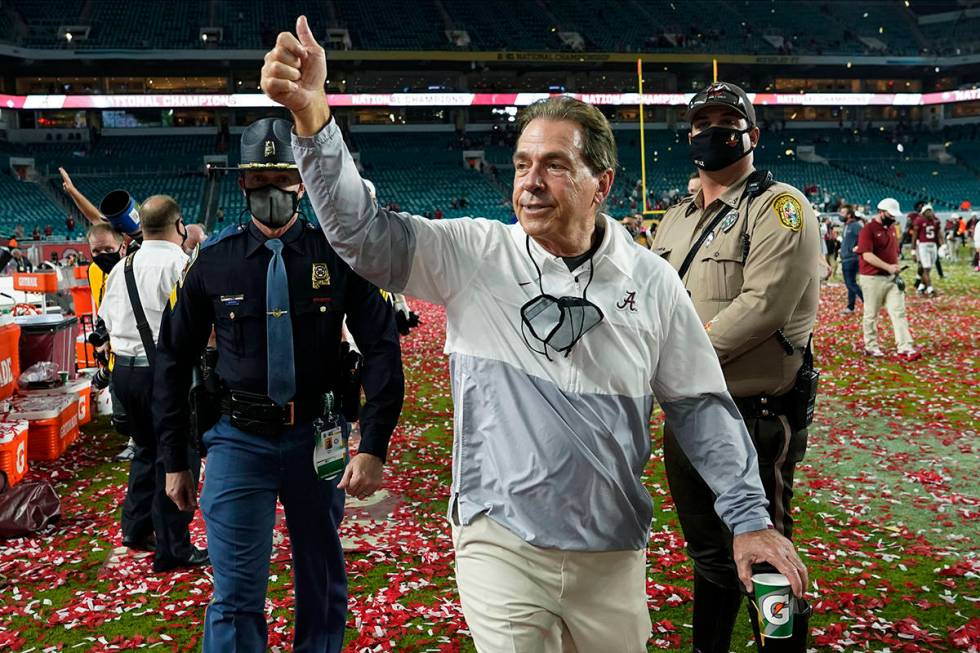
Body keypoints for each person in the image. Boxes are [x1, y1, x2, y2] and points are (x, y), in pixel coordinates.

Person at [262, 21, 807, 652]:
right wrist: (313, 118)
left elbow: (700, 407)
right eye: (522, 163)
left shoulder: (652, 282)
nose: (530, 181)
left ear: (602, 184)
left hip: (611, 549)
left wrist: (749, 520)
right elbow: (361, 236)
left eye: (554, 165)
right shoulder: (475, 253)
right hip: (500, 542)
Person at [153, 117, 404, 653]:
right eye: (261, 177)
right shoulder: (212, 263)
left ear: (303, 181)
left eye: (285, 176)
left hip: (320, 436)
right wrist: (176, 458)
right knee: (237, 589)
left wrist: (375, 445)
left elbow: (382, 345)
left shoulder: (337, 256)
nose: (274, 190)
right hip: (238, 437)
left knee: (321, 577)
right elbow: (172, 359)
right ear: (243, 183)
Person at [653, 81, 817, 652]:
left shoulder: (780, 208)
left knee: (765, 552)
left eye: (727, 120)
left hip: (753, 409)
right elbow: (652, 299)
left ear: (752, 132)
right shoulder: (674, 216)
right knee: (710, 555)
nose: (712, 132)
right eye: (702, 123)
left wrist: (670, 358)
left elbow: (762, 307)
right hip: (686, 410)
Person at [99, 195, 209, 571]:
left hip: (124, 373)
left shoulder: (122, 266)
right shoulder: (182, 263)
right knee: (177, 455)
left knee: (146, 449)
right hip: (164, 372)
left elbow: (108, 323)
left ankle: (136, 527)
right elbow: (199, 325)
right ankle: (173, 547)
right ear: (179, 225)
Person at [856, 198, 920, 361]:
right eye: (891, 215)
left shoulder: (891, 228)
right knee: (871, 313)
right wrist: (888, 266)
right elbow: (867, 255)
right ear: (881, 212)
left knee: (899, 312)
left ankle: (905, 345)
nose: (893, 218)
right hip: (872, 278)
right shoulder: (868, 229)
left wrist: (894, 267)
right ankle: (871, 345)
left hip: (891, 277)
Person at [912, 204, 942, 296]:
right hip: (923, 245)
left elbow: (939, 234)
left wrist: (943, 245)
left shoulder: (936, 221)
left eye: (931, 210)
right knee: (926, 268)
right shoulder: (919, 220)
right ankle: (930, 289)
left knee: (927, 269)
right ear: (923, 213)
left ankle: (921, 287)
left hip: (933, 245)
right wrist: (913, 251)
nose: (930, 212)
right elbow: (914, 235)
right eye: (927, 211)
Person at [839, 205, 864, 314]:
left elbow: (863, 238)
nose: (840, 215)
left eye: (843, 213)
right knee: (850, 284)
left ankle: (867, 302)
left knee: (850, 283)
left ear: (849, 215)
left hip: (852, 258)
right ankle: (850, 306)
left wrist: (857, 248)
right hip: (845, 257)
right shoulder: (847, 225)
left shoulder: (855, 226)